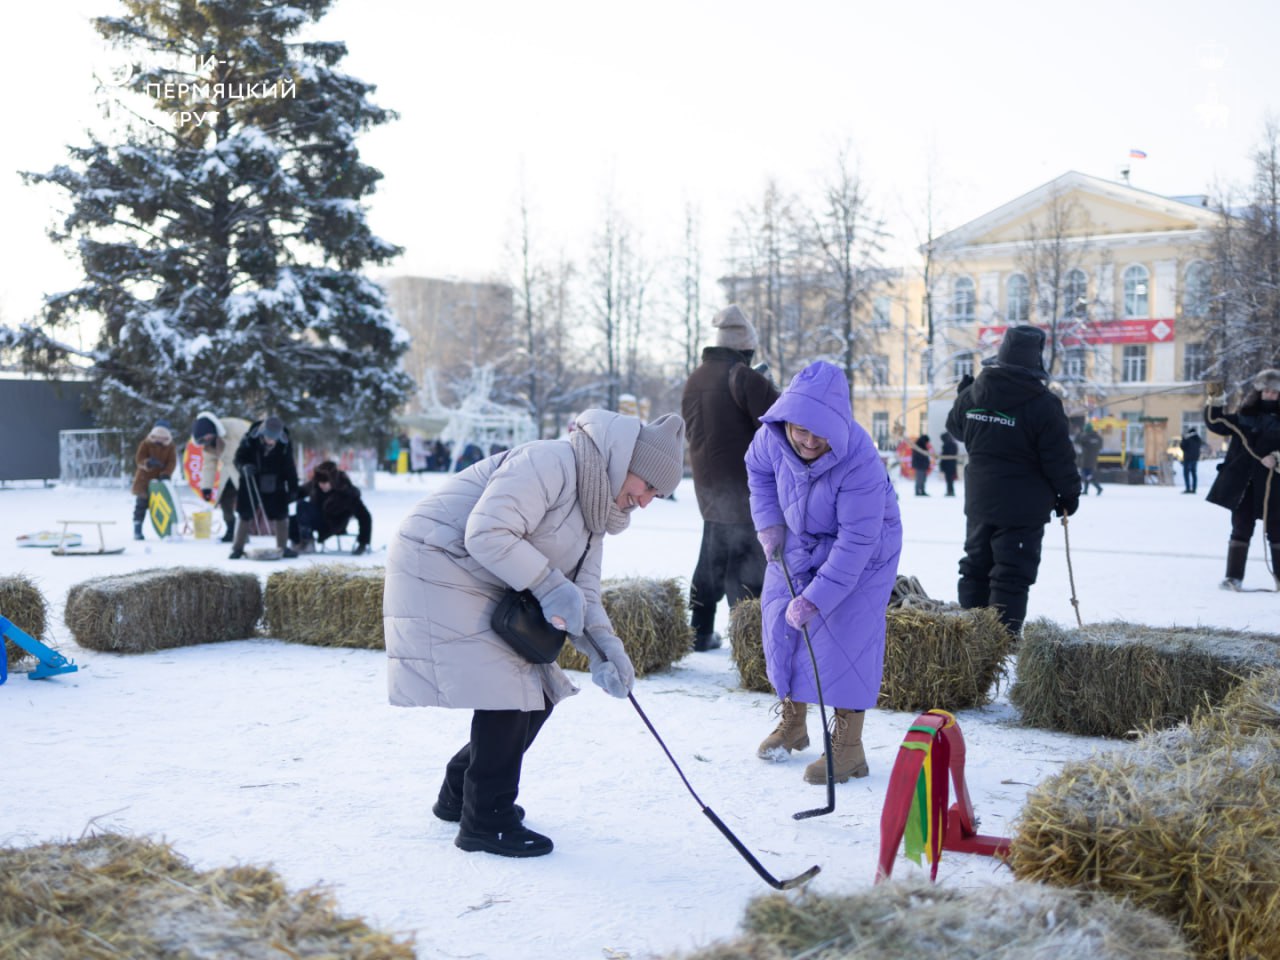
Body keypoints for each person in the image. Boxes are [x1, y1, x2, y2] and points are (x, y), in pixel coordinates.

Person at [383, 410, 687, 858]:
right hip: (438, 562)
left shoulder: (595, 508)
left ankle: (459, 792)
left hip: (483, 574)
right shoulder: (551, 462)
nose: (645, 502)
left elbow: (583, 593)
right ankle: (486, 822)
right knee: (510, 693)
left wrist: (607, 652)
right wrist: (547, 584)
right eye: (647, 487)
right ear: (627, 463)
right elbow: (487, 532)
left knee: (540, 694)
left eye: (657, 496)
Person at [746, 361, 903, 785]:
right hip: (800, 532)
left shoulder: (860, 461)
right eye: (801, 430)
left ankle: (849, 748)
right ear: (787, 420)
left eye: (820, 433)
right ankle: (793, 723)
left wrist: (817, 598)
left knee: (845, 634)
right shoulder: (771, 438)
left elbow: (857, 542)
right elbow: (757, 473)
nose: (810, 441)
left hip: (866, 548)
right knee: (779, 618)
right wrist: (769, 524)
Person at [946, 325, 1082, 638]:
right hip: (1023, 509)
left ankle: (972, 641)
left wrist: (961, 395)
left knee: (975, 567)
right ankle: (999, 647)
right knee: (1010, 575)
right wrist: (1069, 493)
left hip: (980, 501)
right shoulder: (1044, 404)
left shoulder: (975, 392)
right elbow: (1059, 457)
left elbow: (957, 428)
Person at [681, 304, 780, 652]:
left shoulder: (696, 377)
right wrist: (767, 384)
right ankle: (748, 643)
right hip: (746, 493)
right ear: (745, 347)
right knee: (747, 569)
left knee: (710, 562)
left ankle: (700, 630)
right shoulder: (743, 376)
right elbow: (779, 424)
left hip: (709, 492)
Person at [1205, 369, 1280, 590]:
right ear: (1259, 392)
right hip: (1244, 485)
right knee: (1240, 528)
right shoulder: (1242, 417)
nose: (1270, 394)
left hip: (1273, 485)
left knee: (1277, 531)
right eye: (1266, 390)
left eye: (1275, 391)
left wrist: (1276, 457)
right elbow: (1215, 422)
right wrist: (1216, 397)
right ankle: (1233, 578)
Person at [229, 415, 299, 560]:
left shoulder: (284, 444)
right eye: (268, 438)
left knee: (281, 513)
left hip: (276, 480)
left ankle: (282, 547)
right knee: (245, 513)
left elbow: (289, 466)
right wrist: (244, 467)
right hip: (251, 479)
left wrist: (293, 488)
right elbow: (238, 458)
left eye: (274, 439)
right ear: (262, 434)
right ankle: (237, 548)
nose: (271, 441)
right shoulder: (249, 439)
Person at [190, 411, 250, 542]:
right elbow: (209, 465)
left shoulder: (235, 428)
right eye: (203, 439)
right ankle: (230, 529)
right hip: (228, 470)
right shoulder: (208, 445)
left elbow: (253, 445)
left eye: (208, 436)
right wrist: (206, 488)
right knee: (225, 500)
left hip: (246, 468)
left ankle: (243, 533)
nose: (207, 440)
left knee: (245, 501)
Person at [290, 459, 373, 555]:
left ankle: (306, 542)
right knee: (291, 519)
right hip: (318, 518)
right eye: (319, 482)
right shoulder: (316, 485)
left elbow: (365, 516)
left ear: (332, 481)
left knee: (302, 506)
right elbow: (299, 493)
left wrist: (363, 543)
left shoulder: (346, 492)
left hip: (333, 524)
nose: (321, 485)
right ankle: (300, 542)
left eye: (325, 483)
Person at [130, 420, 176, 540]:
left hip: (160, 482)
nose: (159, 440)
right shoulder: (145, 444)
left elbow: (172, 462)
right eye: (157, 437)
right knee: (141, 505)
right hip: (144, 480)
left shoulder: (170, 447)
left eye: (162, 437)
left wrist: (166, 473)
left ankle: (166, 529)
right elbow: (139, 459)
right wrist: (148, 463)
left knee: (161, 505)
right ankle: (137, 528)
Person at [1077, 422, 1104, 495]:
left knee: (1086, 475)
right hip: (1094, 459)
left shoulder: (1085, 437)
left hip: (1085, 460)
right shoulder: (1098, 438)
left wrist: (1079, 433)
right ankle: (1086, 490)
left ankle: (1098, 488)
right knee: (1088, 474)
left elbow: (1077, 441)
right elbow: (1101, 447)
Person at [1180, 426, 1203, 494]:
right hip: (1195, 459)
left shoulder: (1188, 439)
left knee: (1186, 474)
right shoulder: (1198, 439)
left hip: (1187, 459)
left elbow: (1183, 447)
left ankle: (1188, 488)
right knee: (1194, 474)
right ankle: (1194, 489)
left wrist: (1183, 439)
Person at [939, 431, 960, 496]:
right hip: (951, 463)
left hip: (948, 464)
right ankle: (950, 491)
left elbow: (945, 455)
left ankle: (950, 491)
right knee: (950, 479)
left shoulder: (947, 445)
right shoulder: (953, 444)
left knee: (949, 479)